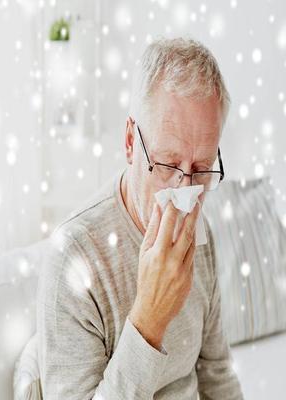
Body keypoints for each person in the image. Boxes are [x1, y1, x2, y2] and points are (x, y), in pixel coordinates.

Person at [36, 37, 244, 399]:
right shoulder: (73, 260)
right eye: (166, 164)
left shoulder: (199, 230)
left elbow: (216, 374)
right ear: (131, 141)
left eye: (201, 169)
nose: (185, 193)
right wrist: (149, 319)